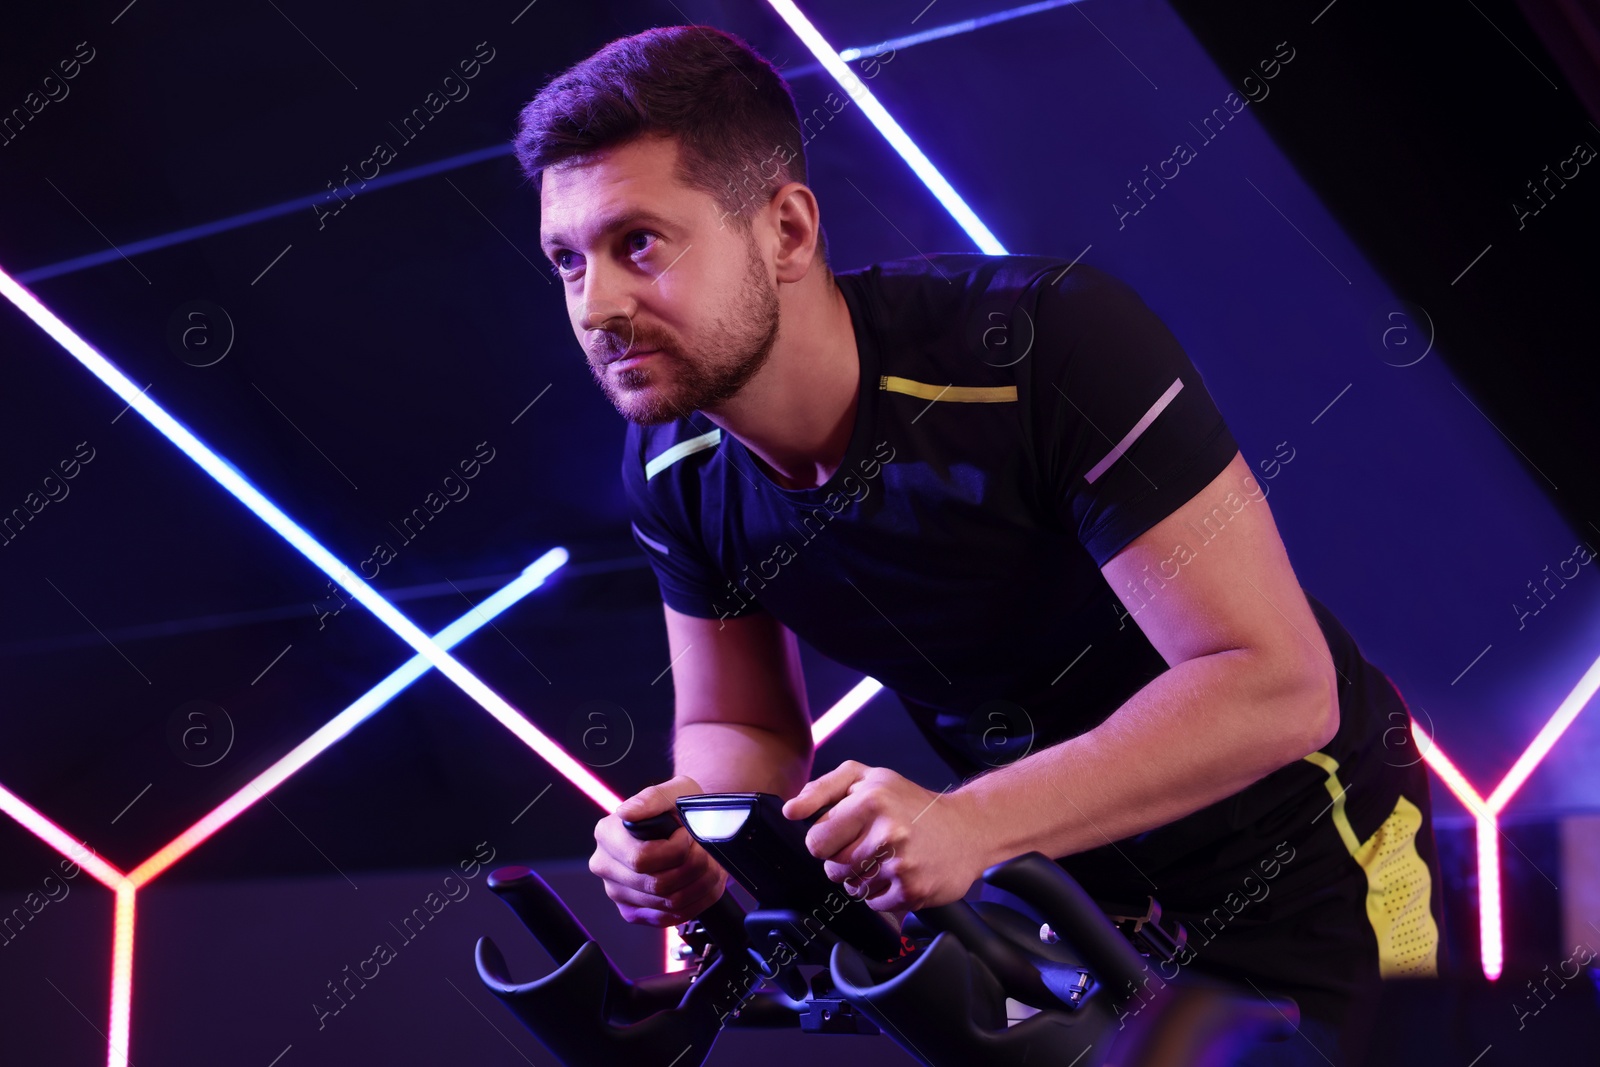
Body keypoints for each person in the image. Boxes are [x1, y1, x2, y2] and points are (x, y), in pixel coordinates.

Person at [512, 23, 1443, 1059]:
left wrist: (975, 820)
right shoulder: (673, 470)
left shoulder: (1046, 349)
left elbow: (1273, 682)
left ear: (785, 230)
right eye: (567, 259)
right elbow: (742, 726)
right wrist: (696, 822)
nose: (596, 304)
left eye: (638, 242)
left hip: (1300, 856)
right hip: (1064, 892)